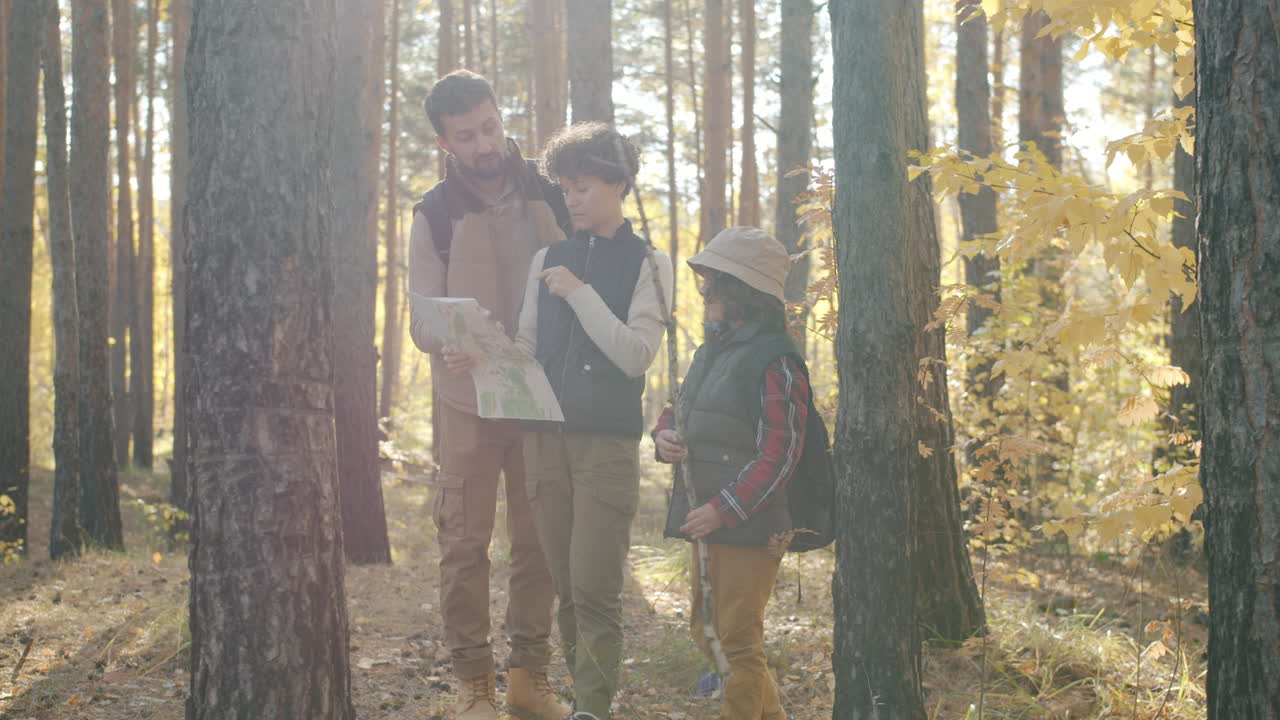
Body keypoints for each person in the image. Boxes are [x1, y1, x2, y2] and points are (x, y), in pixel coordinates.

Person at [407, 69, 571, 720]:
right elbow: (420, 312)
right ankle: (473, 685)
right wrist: (442, 340)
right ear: (445, 143)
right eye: (467, 136)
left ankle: (530, 678)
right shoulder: (433, 213)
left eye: (491, 126)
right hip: (466, 400)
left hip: (538, 396)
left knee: (539, 542)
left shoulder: (548, 189)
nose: (485, 144)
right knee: (464, 544)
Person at [512, 122, 674, 720]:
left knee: (596, 588)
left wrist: (580, 293)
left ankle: (594, 709)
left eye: (581, 188)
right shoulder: (545, 258)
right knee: (567, 590)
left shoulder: (649, 263)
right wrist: (486, 352)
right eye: (565, 189)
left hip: (605, 446)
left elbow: (636, 356)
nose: (570, 200)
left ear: (618, 184)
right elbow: (527, 347)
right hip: (543, 443)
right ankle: (585, 698)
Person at [652, 226, 811, 720]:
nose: (705, 292)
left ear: (743, 292)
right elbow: (682, 408)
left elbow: (780, 454)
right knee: (709, 631)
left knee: (737, 642)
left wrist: (724, 511)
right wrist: (665, 435)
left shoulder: (776, 360)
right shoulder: (714, 351)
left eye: (715, 282)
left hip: (749, 523)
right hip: (711, 516)